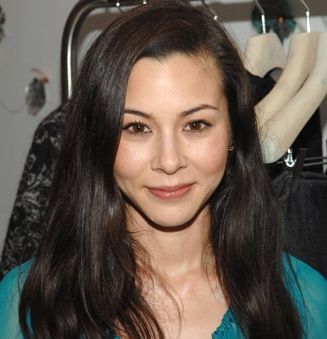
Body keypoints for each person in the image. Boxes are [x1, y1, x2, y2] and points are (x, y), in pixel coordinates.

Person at [0, 1, 326, 338]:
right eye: (137, 128)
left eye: (196, 124)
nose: (169, 162)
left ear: (233, 132)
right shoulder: (25, 303)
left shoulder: (306, 301)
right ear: (99, 137)